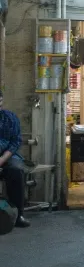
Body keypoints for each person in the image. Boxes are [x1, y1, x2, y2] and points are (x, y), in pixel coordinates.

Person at [0, 91, 29, 228]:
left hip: (8, 155)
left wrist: (2, 159)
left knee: (16, 171)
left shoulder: (10, 118)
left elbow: (15, 142)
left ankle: (18, 215)